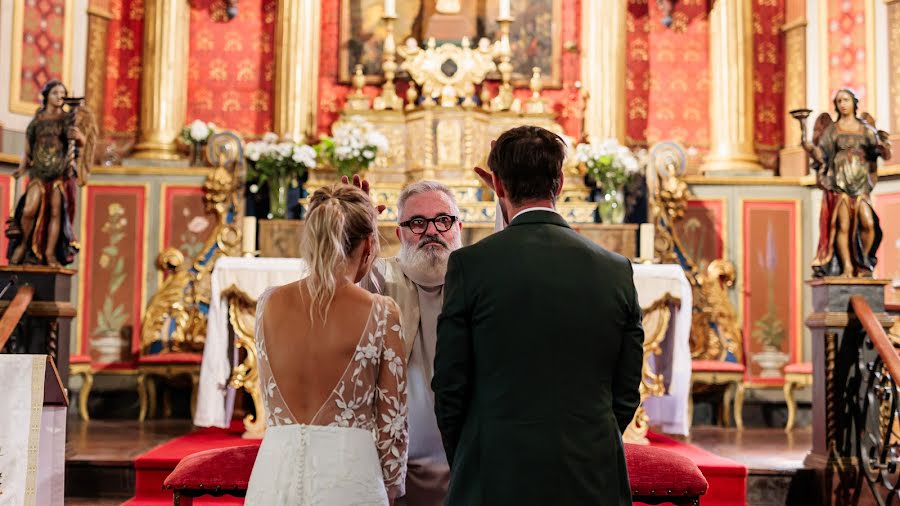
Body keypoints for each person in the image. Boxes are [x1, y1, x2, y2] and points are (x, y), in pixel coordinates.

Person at [433, 125, 645, 505]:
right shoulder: (615, 268)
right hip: (590, 473)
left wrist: (469, 456)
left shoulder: (471, 265)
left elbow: (450, 386)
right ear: (560, 182)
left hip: (494, 471)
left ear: (497, 185)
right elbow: (626, 392)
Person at [245, 184, 408, 505]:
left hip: (274, 476)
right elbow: (393, 424)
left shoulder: (269, 303)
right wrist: (388, 485)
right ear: (368, 244)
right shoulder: (381, 311)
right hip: (351, 478)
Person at [353, 178, 462, 506]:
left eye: (443, 220)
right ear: (399, 234)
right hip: (393, 463)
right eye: (417, 222)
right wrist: (357, 228)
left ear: (459, 227)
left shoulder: (477, 281)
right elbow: (339, 285)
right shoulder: (379, 278)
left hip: (468, 463)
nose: (432, 231)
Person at [802, 88, 891, 277]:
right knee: (843, 226)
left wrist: (883, 146)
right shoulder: (832, 130)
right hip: (839, 184)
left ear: (854, 103)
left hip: (860, 184)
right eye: (839, 100)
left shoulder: (865, 129)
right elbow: (821, 153)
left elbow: (880, 150)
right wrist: (806, 139)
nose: (842, 104)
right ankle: (848, 267)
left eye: (846, 100)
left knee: (869, 224)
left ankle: (863, 264)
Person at [8, 80, 95, 266]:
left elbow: (82, 141)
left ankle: (50, 253)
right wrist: (22, 167)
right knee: (29, 209)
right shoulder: (37, 120)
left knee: (56, 213)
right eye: (55, 92)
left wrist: (77, 136)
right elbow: (29, 147)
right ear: (46, 95)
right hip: (39, 173)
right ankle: (23, 245)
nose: (59, 96)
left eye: (62, 93)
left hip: (59, 173)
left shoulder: (67, 119)